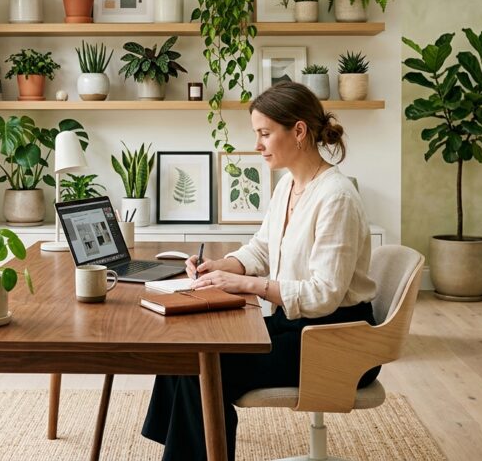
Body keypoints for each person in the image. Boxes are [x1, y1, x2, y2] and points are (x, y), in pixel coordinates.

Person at [141, 82, 381, 460]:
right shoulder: (288, 185)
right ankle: (187, 449)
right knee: (187, 352)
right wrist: (221, 266)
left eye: (265, 134)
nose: (257, 145)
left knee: (203, 368)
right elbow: (263, 248)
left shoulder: (336, 197)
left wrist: (245, 283)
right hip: (298, 327)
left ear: (298, 131)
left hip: (337, 340)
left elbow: (323, 294)